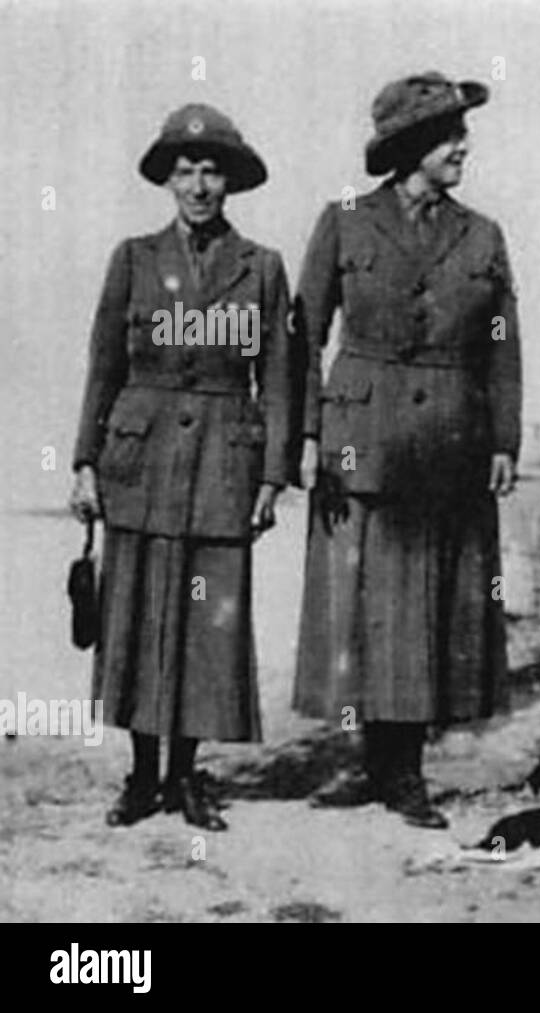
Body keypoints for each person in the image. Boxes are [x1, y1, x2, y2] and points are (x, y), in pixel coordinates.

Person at [293, 72, 521, 828]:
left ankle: (408, 771)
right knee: (367, 604)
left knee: (435, 603)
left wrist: (503, 438)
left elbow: (500, 343)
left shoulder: (483, 234)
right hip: (364, 441)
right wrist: (306, 432)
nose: (464, 146)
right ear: (413, 145)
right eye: (450, 134)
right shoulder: (345, 221)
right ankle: (368, 763)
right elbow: (305, 334)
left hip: (452, 442)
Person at [69, 103, 296, 831]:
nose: (200, 185)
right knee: (133, 614)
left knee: (206, 620)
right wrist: (83, 463)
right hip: (140, 461)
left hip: (222, 466)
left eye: (213, 171)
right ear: (167, 179)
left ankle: (185, 775)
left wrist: (270, 477)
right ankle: (142, 777)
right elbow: (103, 367)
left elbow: (282, 380)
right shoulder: (132, 259)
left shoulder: (262, 268)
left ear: (232, 182)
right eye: (187, 170)